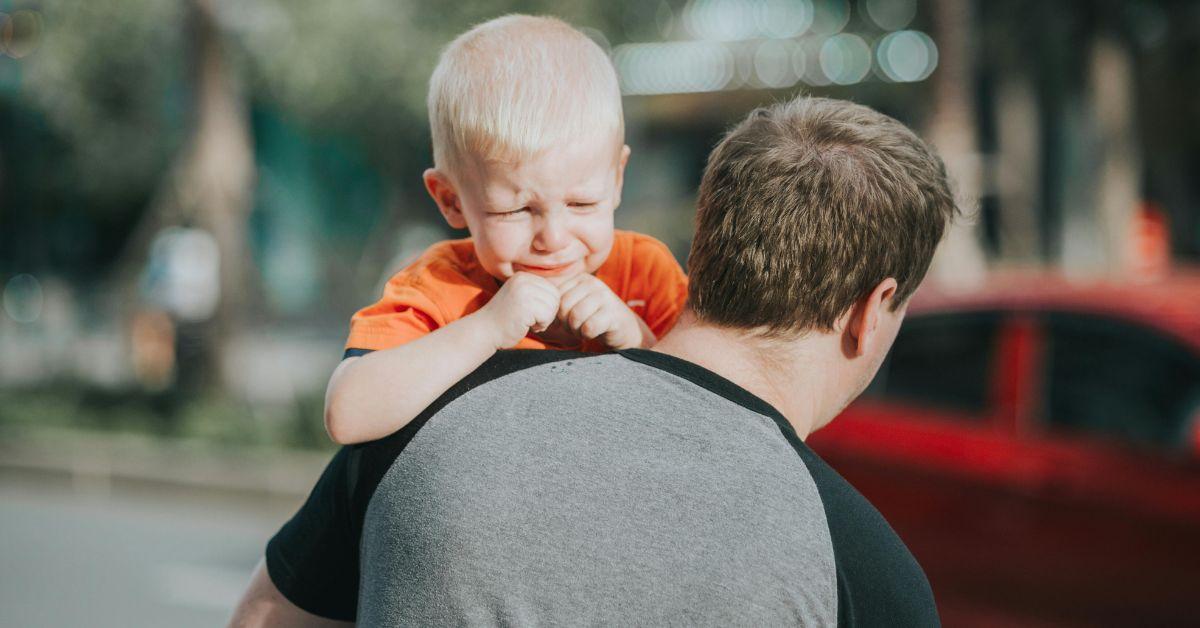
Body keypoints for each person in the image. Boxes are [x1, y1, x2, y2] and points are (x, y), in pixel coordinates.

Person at [229, 96, 957, 627]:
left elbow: (262, 619)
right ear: (871, 309)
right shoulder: (866, 573)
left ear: (706, 241)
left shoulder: (425, 422)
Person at [323, 15, 689, 445]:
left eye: (581, 203)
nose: (553, 239)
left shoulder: (645, 274)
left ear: (617, 179)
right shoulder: (440, 287)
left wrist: (638, 340)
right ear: (450, 200)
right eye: (515, 210)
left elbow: (714, 414)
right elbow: (348, 415)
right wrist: (486, 328)